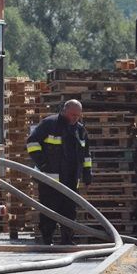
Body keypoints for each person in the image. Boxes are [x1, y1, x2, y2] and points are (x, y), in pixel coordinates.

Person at [26, 99, 92, 245]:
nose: (75, 118)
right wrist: (43, 163)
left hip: (71, 180)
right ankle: (47, 239)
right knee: (49, 210)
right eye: (73, 115)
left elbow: (86, 155)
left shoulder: (80, 130)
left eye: (78, 115)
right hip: (51, 180)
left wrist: (87, 173)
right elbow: (32, 142)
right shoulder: (49, 124)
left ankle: (67, 240)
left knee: (69, 210)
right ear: (64, 111)